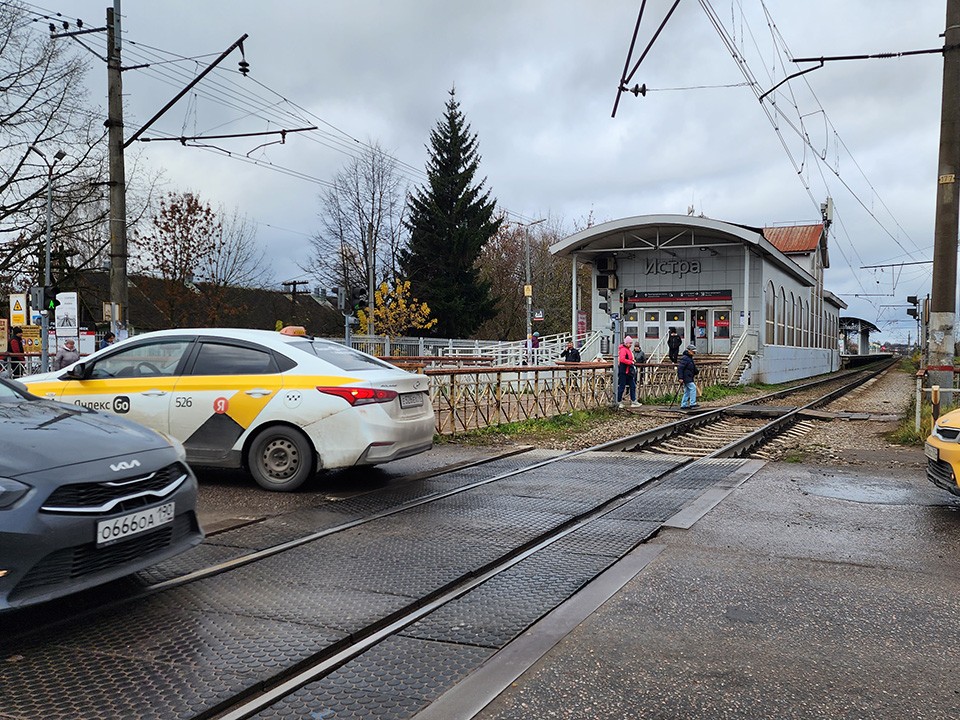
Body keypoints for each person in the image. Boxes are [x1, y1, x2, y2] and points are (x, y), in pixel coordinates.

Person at [677, 343, 700, 410]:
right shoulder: (685, 358)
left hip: (688, 377)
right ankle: (692, 403)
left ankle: (684, 404)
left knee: (687, 391)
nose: (694, 353)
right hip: (686, 377)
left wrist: (696, 371)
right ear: (689, 351)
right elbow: (680, 368)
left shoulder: (689, 358)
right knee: (693, 388)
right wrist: (680, 378)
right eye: (693, 351)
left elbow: (692, 367)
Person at [617, 335, 637, 408]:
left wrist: (631, 361)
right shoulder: (623, 350)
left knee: (632, 386)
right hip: (624, 371)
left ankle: (633, 401)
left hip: (628, 371)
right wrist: (630, 362)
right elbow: (622, 359)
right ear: (626, 343)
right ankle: (619, 401)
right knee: (622, 386)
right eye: (630, 343)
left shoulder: (627, 349)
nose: (631, 345)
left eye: (631, 343)